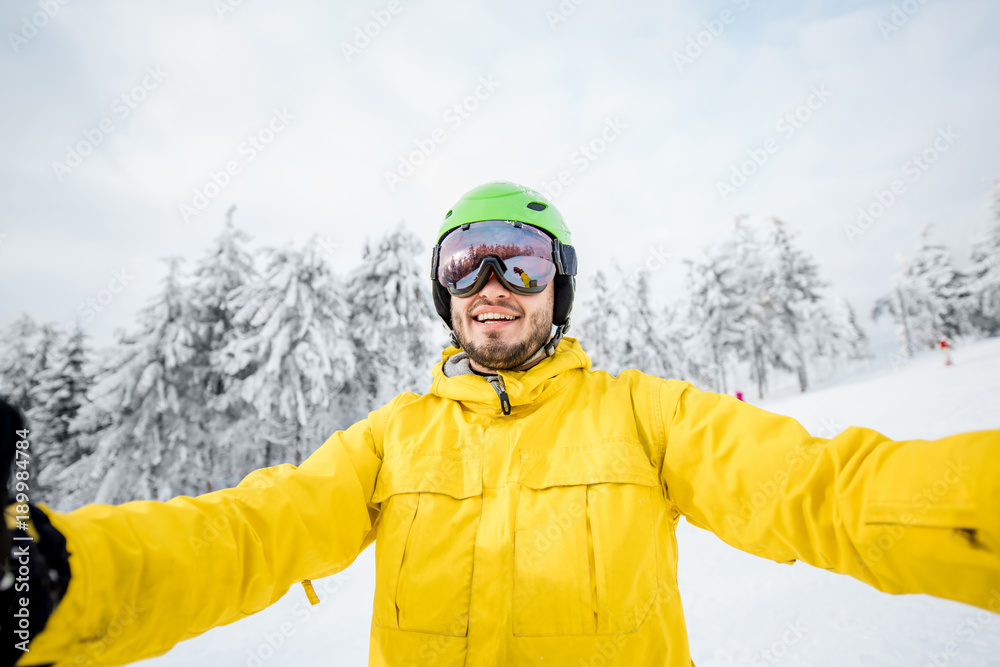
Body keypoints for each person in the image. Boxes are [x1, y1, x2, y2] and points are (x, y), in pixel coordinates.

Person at [3, 182, 999, 667]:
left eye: (519, 262)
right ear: (441, 293)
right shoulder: (394, 436)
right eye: (464, 265)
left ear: (556, 286)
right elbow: (255, 531)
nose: (491, 288)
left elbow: (828, 493)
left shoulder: (644, 414)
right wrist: (54, 576)